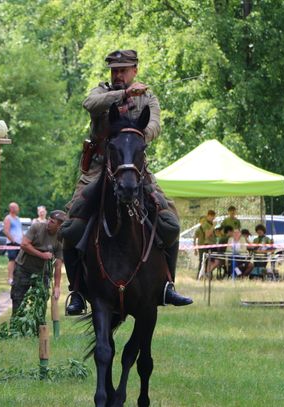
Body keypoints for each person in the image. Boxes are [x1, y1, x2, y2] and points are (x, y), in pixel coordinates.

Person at [62, 49, 192, 314]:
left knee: (171, 223)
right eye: (114, 70)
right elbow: (89, 104)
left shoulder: (149, 98)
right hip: (98, 170)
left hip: (134, 168)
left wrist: (136, 135)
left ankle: (167, 285)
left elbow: (154, 126)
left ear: (135, 70)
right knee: (71, 227)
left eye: (123, 70)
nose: (118, 74)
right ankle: (76, 291)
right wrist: (123, 95)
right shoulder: (101, 93)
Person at [10, 210, 65, 314]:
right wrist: (42, 255)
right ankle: (15, 326)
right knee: (17, 299)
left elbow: (58, 264)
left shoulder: (60, 238)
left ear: (59, 226)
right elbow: (24, 245)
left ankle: (38, 328)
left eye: (52, 222)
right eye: (49, 219)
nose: (49, 222)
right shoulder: (37, 227)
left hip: (42, 273)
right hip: (23, 268)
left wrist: (57, 286)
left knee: (41, 302)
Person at [3, 202, 23, 286]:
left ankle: (16, 277)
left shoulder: (18, 218)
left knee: (18, 261)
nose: (17, 209)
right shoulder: (8, 218)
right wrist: (13, 240)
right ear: (11, 209)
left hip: (20, 243)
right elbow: (6, 231)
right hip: (12, 243)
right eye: (16, 208)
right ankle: (10, 278)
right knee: (12, 260)